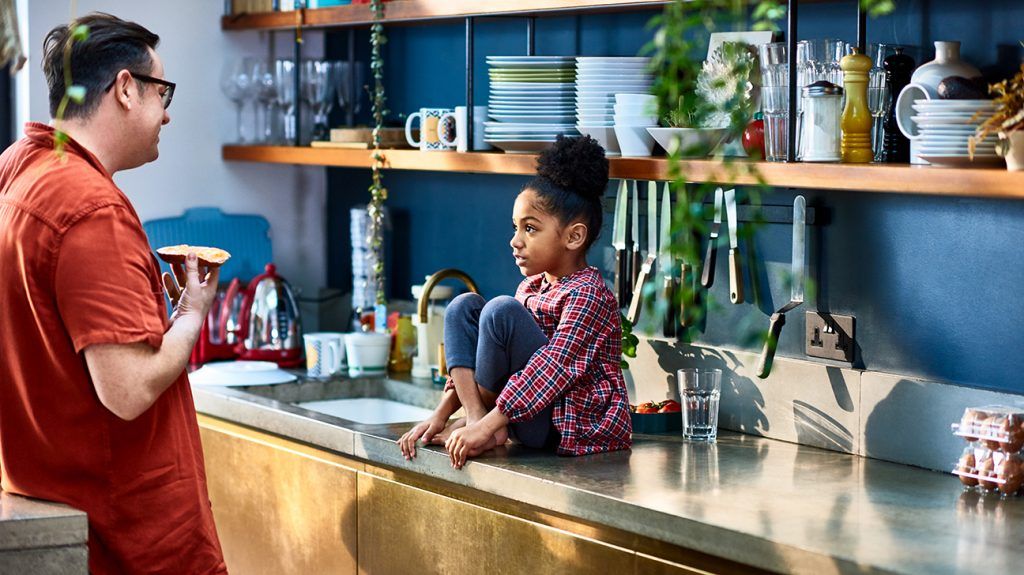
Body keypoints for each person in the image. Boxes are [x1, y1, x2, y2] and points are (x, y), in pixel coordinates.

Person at [0, 13, 227, 574]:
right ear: (126, 88)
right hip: (125, 533)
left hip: (45, 491)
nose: (167, 113)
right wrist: (192, 314)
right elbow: (126, 391)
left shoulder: (17, 168)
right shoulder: (92, 210)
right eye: (161, 92)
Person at [398, 135, 632, 469]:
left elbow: (551, 369)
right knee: (463, 305)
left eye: (530, 229)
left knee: (500, 310)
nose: (515, 241)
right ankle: (477, 417)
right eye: (515, 227)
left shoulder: (589, 294)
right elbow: (500, 361)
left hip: (567, 426)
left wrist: (493, 424)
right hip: (523, 415)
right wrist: (442, 414)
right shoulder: (533, 287)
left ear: (573, 237)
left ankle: (485, 424)